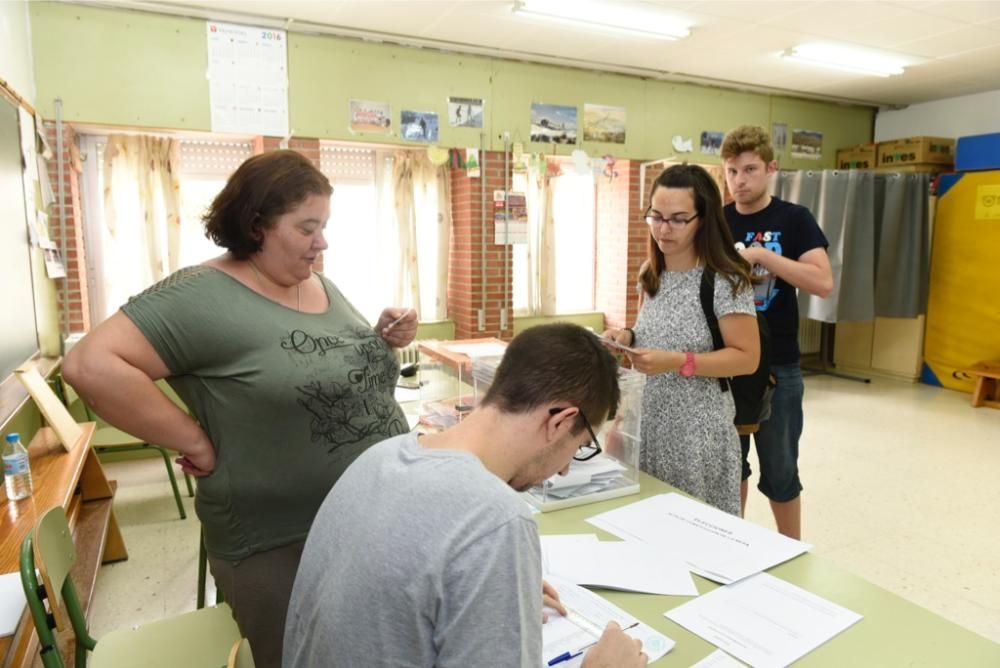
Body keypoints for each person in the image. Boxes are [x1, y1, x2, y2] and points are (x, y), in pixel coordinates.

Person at [62, 149, 417, 667]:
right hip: (281, 542)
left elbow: (312, 364)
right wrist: (193, 440)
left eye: (325, 226)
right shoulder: (199, 296)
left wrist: (380, 336)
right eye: (307, 227)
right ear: (257, 226)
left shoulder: (316, 280)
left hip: (367, 519)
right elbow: (89, 364)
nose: (322, 242)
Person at [283, 324, 647, 668]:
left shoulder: (380, 456)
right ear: (559, 422)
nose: (566, 470)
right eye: (580, 447)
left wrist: (488, 591)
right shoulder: (496, 521)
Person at [602, 164, 759, 515]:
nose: (663, 228)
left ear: (703, 220)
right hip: (648, 424)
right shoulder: (651, 273)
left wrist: (678, 362)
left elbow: (747, 358)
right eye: (656, 216)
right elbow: (655, 331)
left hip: (696, 436)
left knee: (693, 534)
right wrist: (626, 336)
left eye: (677, 219)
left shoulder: (726, 280)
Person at [721, 125, 833, 540]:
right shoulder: (717, 220)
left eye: (749, 170)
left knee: (781, 467)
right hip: (728, 364)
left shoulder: (794, 220)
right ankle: (732, 544)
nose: (739, 181)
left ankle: (790, 553)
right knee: (731, 464)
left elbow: (823, 282)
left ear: (771, 168)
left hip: (780, 364)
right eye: (731, 172)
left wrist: (764, 255)